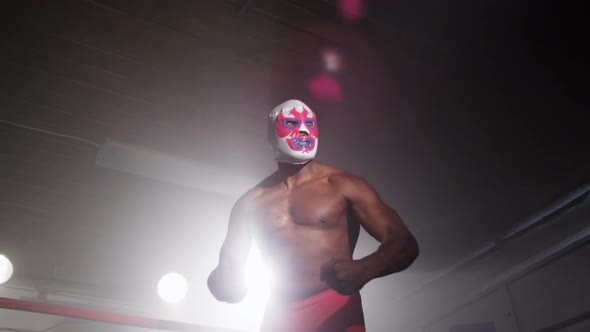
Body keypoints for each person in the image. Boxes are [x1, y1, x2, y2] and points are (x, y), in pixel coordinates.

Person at [208, 99, 419, 332]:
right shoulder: (249, 203)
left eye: (309, 123)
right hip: (278, 314)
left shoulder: (343, 185)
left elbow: (404, 242)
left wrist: (366, 268)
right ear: (272, 134)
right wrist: (223, 285)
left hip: (335, 308)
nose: (303, 130)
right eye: (291, 122)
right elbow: (229, 269)